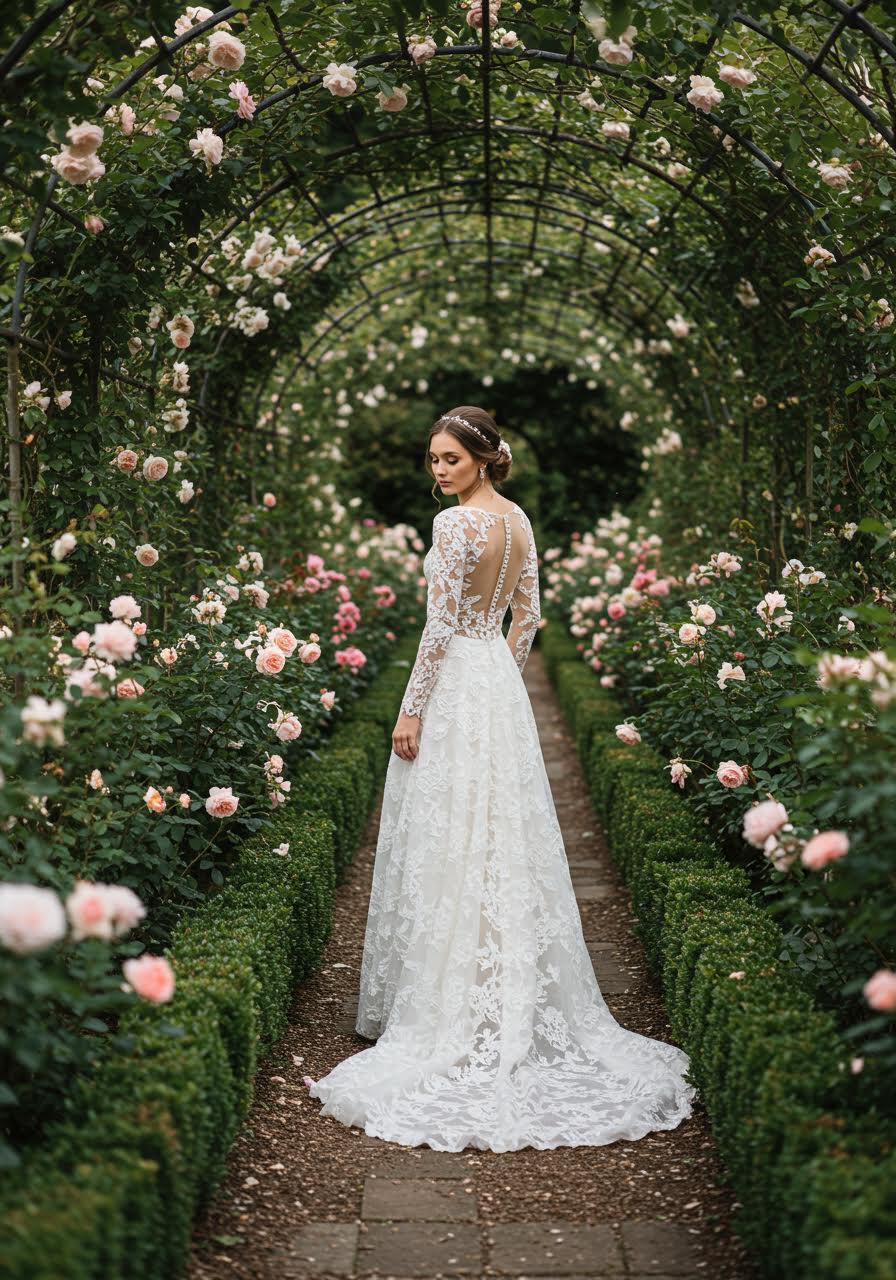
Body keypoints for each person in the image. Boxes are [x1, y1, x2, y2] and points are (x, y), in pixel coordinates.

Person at [306, 405, 696, 1152]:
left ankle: (449, 1004)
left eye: (450, 458)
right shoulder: (516, 521)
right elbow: (528, 618)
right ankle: (492, 985)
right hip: (494, 685)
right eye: (433, 459)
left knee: (451, 831)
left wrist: (415, 708)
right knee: (496, 834)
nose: (439, 470)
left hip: (457, 682)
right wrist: (499, 683)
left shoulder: (457, 527)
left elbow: (437, 626)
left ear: (482, 459)